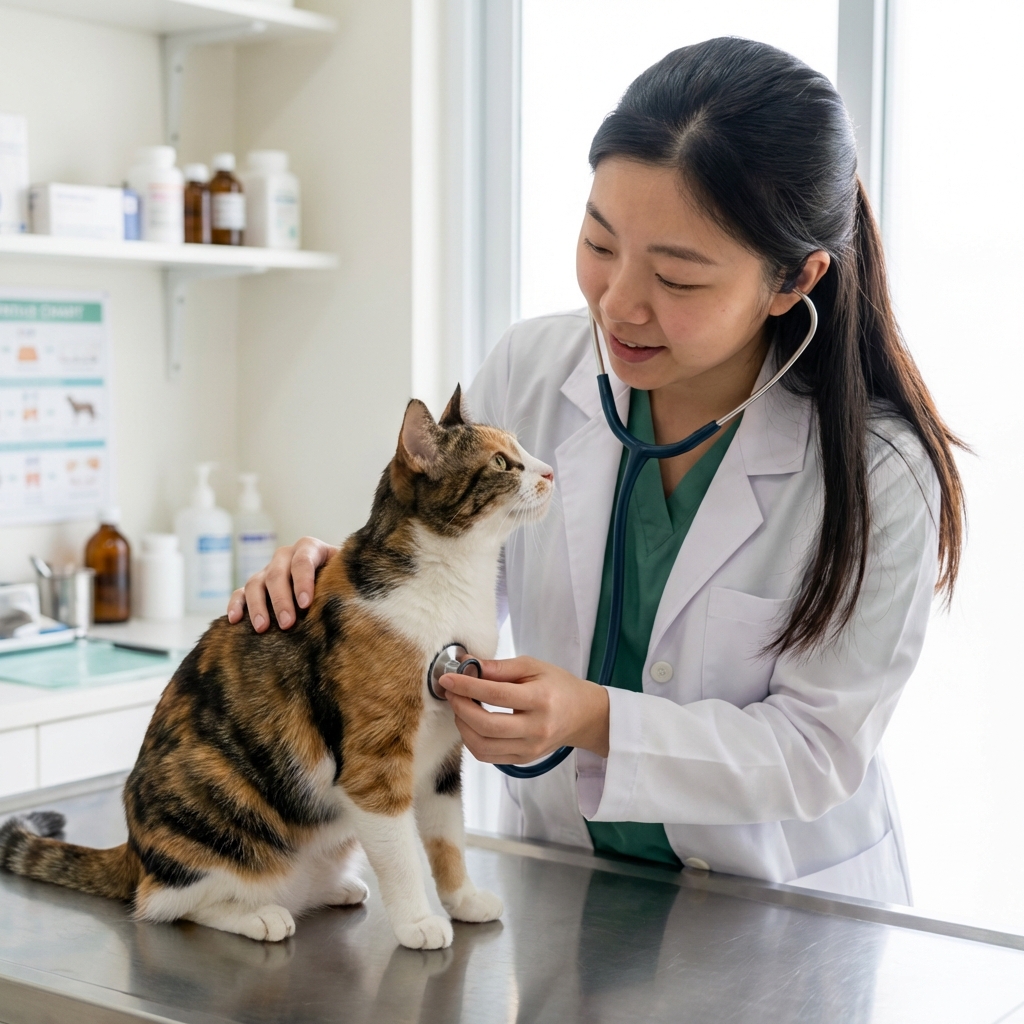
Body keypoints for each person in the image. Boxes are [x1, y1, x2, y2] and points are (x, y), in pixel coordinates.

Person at [227, 38, 964, 904]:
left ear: (793, 279)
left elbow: (816, 750)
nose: (618, 304)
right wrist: (356, 585)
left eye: (678, 279)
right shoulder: (531, 373)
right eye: (599, 242)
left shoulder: (880, 473)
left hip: (776, 907)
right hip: (569, 885)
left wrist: (594, 718)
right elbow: (450, 589)